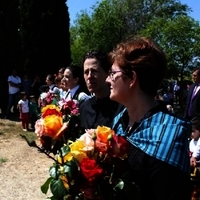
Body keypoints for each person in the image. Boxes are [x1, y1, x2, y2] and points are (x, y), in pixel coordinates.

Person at [106, 36, 191, 200]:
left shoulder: (167, 137)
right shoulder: (120, 122)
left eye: (112, 73)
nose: (107, 79)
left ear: (132, 79)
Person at [80, 50, 124, 129]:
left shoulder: (121, 108)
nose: (89, 76)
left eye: (94, 71)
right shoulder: (84, 107)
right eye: (86, 72)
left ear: (107, 73)